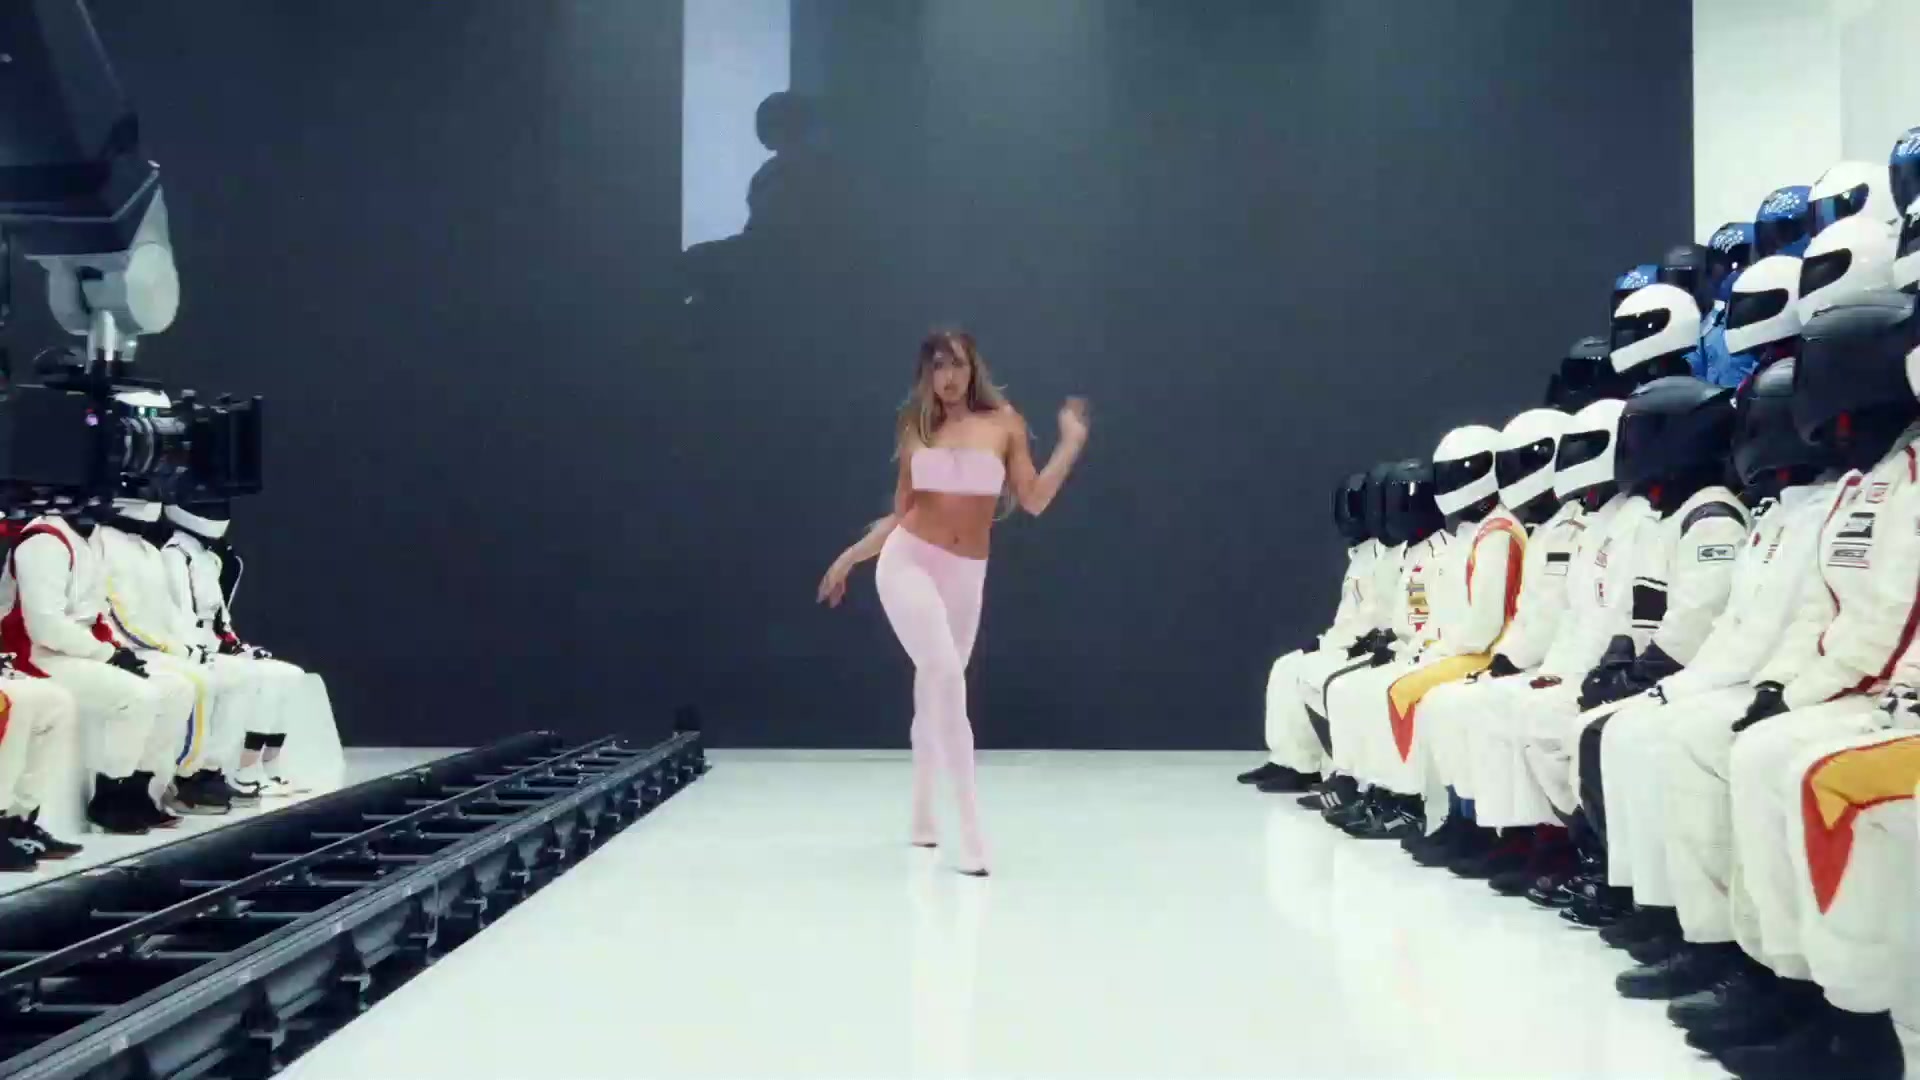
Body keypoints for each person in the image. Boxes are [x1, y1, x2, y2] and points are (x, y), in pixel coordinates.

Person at [816, 329, 1088, 877]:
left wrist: (1070, 444)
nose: (948, 377)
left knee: (935, 685)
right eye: (937, 366)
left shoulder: (1004, 423)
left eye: (956, 364)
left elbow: (1034, 499)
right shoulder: (916, 428)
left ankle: (922, 817)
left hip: (967, 573)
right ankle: (972, 839)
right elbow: (900, 515)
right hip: (908, 563)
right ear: (926, 374)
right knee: (945, 678)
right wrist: (849, 558)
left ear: (972, 367)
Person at [1239, 470, 1385, 793]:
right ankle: (1290, 760)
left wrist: (1334, 645)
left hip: (1363, 647)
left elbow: (1374, 617)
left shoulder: (1382, 555)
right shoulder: (1360, 555)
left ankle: (1331, 771)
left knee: (1314, 675)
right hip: (1341, 641)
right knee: (1285, 667)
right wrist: (1324, 641)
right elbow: (1348, 616)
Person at [162, 500, 313, 798]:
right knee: (252, 678)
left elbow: (221, 617)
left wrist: (235, 645)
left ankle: (268, 767)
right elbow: (179, 615)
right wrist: (201, 649)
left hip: (215, 645)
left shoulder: (209, 558)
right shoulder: (175, 554)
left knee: (289, 675)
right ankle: (240, 771)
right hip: (191, 648)